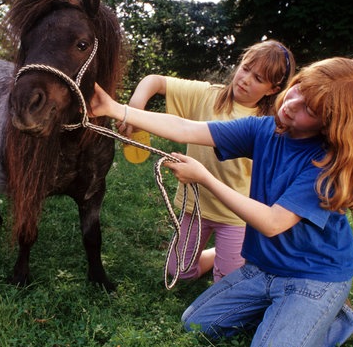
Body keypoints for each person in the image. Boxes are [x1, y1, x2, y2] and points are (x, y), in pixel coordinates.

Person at [91, 57, 353, 347]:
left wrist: (205, 179)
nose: (292, 103)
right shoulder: (265, 130)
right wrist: (117, 109)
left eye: (310, 109)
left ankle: (332, 320)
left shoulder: (328, 164)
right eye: (299, 89)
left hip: (313, 278)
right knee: (195, 322)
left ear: (333, 124)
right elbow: (188, 129)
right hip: (263, 268)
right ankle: (289, 317)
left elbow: (273, 222)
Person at [119, 40, 294, 283]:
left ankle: (235, 259)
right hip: (195, 206)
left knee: (226, 284)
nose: (245, 79)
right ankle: (216, 256)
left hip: (235, 215)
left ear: (272, 89)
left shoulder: (270, 124)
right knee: (178, 273)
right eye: (245, 69)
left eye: (258, 78)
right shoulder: (207, 94)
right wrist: (136, 106)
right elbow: (154, 81)